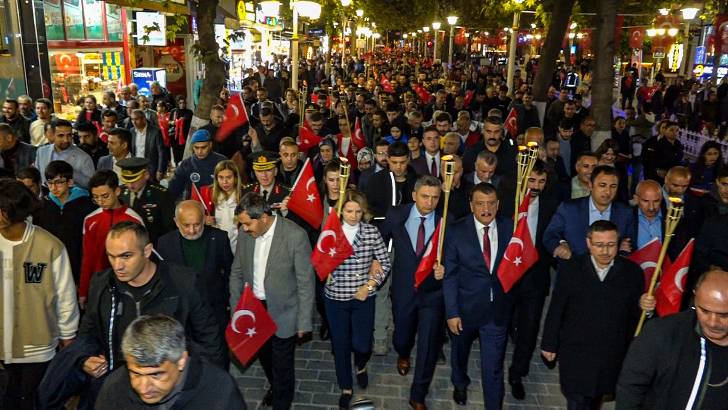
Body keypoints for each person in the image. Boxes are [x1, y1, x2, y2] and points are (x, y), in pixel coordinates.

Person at [541, 220, 644, 410]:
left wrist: (645, 307)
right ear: (589, 243)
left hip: (609, 354)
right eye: (599, 245)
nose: (605, 251)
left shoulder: (632, 273)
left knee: (596, 398)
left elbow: (634, 317)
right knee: (577, 400)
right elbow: (557, 307)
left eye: (611, 245)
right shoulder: (572, 269)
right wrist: (549, 342)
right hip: (576, 352)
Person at [229, 193, 314, 410]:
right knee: (265, 356)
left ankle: (281, 402)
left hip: (285, 311)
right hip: (255, 309)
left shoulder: (296, 236)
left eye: (248, 223)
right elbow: (237, 273)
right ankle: (275, 387)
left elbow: (306, 282)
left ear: (264, 217)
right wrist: (237, 312)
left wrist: (304, 321)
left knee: (282, 365)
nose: (245, 228)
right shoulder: (245, 233)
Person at [0, 179, 79, 410]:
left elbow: (65, 296)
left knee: (34, 403)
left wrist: (68, 335)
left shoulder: (49, 246)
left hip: (37, 347)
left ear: (11, 212)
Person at [443, 182, 514, 409]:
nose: (486, 209)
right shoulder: (455, 230)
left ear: (498, 205)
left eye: (491, 203)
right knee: (460, 353)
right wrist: (452, 312)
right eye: (480, 203)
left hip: (496, 312)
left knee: (493, 367)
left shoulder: (510, 228)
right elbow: (450, 276)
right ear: (471, 206)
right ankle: (460, 382)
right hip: (465, 310)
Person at [616, 269, 728, 409]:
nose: (713, 322)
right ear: (695, 298)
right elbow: (630, 388)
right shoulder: (662, 332)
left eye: (723, 315)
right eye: (704, 311)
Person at [379, 175, 444, 409]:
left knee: (428, 344)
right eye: (425, 197)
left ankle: (418, 394)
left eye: (435, 198)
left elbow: (454, 255)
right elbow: (379, 241)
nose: (430, 202)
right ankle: (403, 353)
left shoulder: (446, 221)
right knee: (402, 333)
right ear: (414, 195)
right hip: (404, 289)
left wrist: (445, 270)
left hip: (433, 293)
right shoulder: (397, 215)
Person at [497, 160, 560, 400]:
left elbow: (555, 236)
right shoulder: (506, 203)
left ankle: (517, 373)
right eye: (532, 180)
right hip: (506, 274)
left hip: (535, 277)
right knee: (500, 324)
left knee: (529, 329)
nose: (536, 186)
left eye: (541, 181)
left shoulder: (551, 206)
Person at [324, 190, 391, 409]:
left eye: (358, 211)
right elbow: (318, 258)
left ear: (364, 212)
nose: (353, 215)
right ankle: (346, 386)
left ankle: (361, 365)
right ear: (341, 210)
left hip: (363, 296)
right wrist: (325, 270)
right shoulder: (331, 231)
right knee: (341, 344)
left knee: (362, 343)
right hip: (336, 296)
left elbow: (385, 263)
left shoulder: (371, 232)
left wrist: (370, 285)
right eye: (349, 211)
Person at [96, 314, 246, 409]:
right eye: (135, 374)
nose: (143, 387)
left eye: (155, 375)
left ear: (181, 360)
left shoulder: (219, 390)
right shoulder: (114, 389)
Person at [156, 201, 233, 356]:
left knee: (218, 354)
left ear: (204, 219)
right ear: (176, 222)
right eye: (186, 225)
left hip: (214, 310)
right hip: (181, 314)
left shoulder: (219, 238)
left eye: (197, 224)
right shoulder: (165, 243)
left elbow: (230, 271)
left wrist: (226, 301)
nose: (192, 230)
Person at [79, 170, 143, 306]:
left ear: (117, 191)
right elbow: (87, 258)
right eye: (95, 197)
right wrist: (84, 291)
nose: (100, 201)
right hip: (100, 285)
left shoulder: (133, 219)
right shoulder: (90, 220)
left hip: (129, 284)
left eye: (105, 196)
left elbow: (142, 257)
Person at [544, 165, 635, 259]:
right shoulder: (568, 209)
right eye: (602, 185)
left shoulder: (625, 212)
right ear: (590, 185)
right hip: (574, 268)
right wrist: (560, 246)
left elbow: (630, 243)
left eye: (613, 186)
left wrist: (624, 250)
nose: (608, 191)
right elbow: (550, 236)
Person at [34, 160, 96, 284]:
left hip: (77, 265)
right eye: (50, 183)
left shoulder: (85, 205)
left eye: (59, 182)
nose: (53, 188)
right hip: (50, 265)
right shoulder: (41, 207)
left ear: (70, 182)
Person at [118, 157, 175, 245]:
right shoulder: (120, 193)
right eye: (127, 181)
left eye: (134, 180)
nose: (130, 185)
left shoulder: (161, 194)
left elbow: (169, 227)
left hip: (154, 245)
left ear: (146, 175)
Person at [191, 159, 242, 251]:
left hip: (239, 245)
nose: (224, 182)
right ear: (216, 178)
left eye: (229, 177)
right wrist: (204, 220)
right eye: (221, 177)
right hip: (215, 245)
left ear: (235, 178)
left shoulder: (244, 194)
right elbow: (193, 215)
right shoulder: (207, 193)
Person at [35, 119, 95, 189]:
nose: (66, 140)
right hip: (45, 196)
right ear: (53, 135)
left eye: (69, 135)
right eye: (61, 135)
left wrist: (71, 172)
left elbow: (91, 185)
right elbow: (38, 177)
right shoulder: (41, 152)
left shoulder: (84, 158)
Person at [168, 129, 227, 201]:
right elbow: (173, 190)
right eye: (196, 147)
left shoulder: (222, 162)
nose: (200, 151)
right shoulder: (186, 165)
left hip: (218, 204)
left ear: (210, 145)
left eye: (203, 147)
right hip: (194, 206)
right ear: (192, 146)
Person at [129, 109, 167, 182]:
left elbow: (161, 152)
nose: (134, 122)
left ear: (143, 119)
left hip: (151, 169)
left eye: (136, 119)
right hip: (136, 168)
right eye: (132, 119)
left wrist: (160, 170)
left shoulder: (155, 132)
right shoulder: (131, 131)